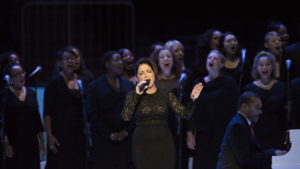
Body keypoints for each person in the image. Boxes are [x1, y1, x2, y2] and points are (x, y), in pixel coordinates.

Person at [121, 58, 203, 169]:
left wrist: (193, 99)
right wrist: (137, 94)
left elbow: (185, 113)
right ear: (137, 78)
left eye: (149, 71)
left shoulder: (166, 94)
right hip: (142, 142)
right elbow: (125, 117)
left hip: (164, 140)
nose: (146, 75)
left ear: (154, 74)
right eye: (141, 73)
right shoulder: (132, 95)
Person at [187, 50, 238, 169]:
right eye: (209, 58)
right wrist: (189, 133)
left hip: (221, 134)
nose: (211, 60)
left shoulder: (228, 84)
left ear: (221, 64)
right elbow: (191, 107)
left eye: (215, 59)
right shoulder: (199, 83)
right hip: (202, 135)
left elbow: (234, 109)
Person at [86, 50, 134, 169]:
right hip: (104, 142)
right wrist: (109, 134)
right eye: (117, 60)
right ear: (107, 64)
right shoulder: (95, 86)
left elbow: (135, 110)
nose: (121, 63)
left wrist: (126, 131)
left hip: (125, 140)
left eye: (121, 60)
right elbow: (92, 114)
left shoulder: (128, 85)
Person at [217, 91, 287, 169]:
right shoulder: (237, 126)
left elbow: (253, 153)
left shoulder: (243, 123)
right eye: (257, 108)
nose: (260, 112)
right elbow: (245, 159)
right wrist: (272, 155)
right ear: (244, 107)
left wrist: (273, 152)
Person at [44, 48, 85, 169]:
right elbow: (47, 113)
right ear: (60, 63)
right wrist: (50, 137)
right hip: (60, 135)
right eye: (66, 59)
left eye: (72, 58)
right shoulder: (53, 82)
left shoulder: (82, 81)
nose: (70, 61)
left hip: (78, 135)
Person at [0, 62, 45, 169]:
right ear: (9, 79)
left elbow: (37, 119)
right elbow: (2, 122)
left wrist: (42, 142)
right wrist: (6, 144)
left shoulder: (30, 93)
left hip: (31, 142)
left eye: (22, 73)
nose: (22, 76)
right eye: (17, 74)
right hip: (13, 143)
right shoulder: (4, 95)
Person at [244, 51, 287, 151]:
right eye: (261, 65)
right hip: (258, 135)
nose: (264, 67)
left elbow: (285, 113)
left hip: (278, 134)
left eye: (268, 64)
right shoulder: (249, 88)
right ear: (256, 67)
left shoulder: (281, 87)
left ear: (272, 67)